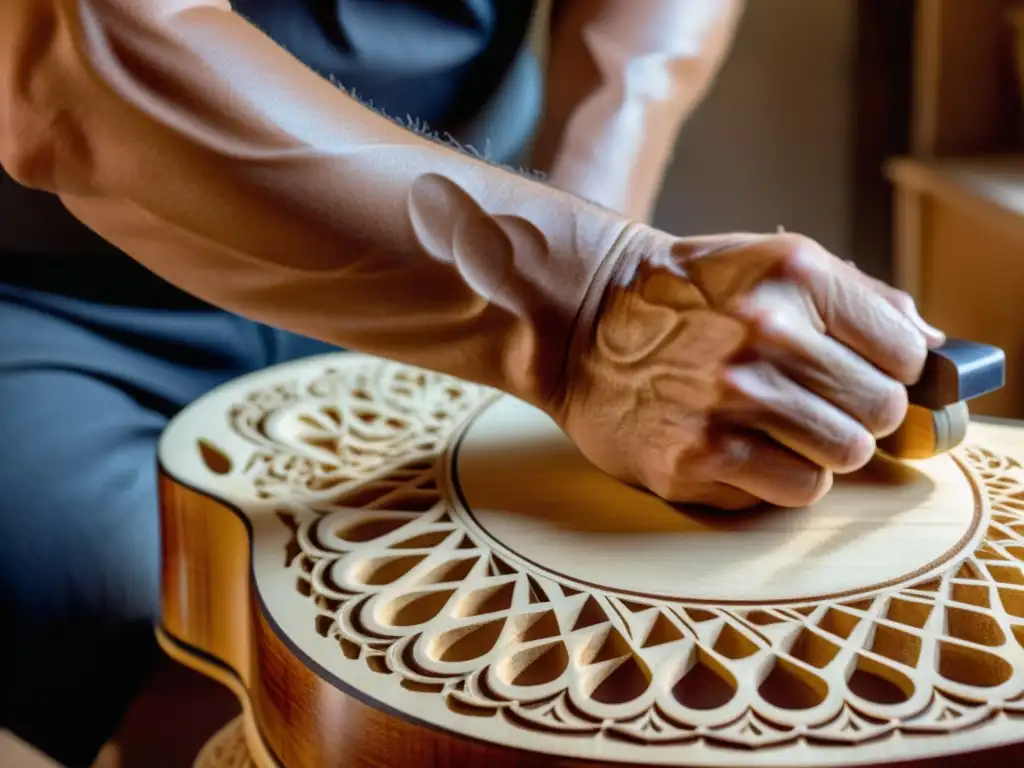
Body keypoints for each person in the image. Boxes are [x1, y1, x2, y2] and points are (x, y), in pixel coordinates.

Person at [0, 1, 943, 765]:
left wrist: (600, 238)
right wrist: (588, 313)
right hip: (54, 282)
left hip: (458, 248)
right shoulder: (575, 308)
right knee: (111, 608)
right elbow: (71, 62)